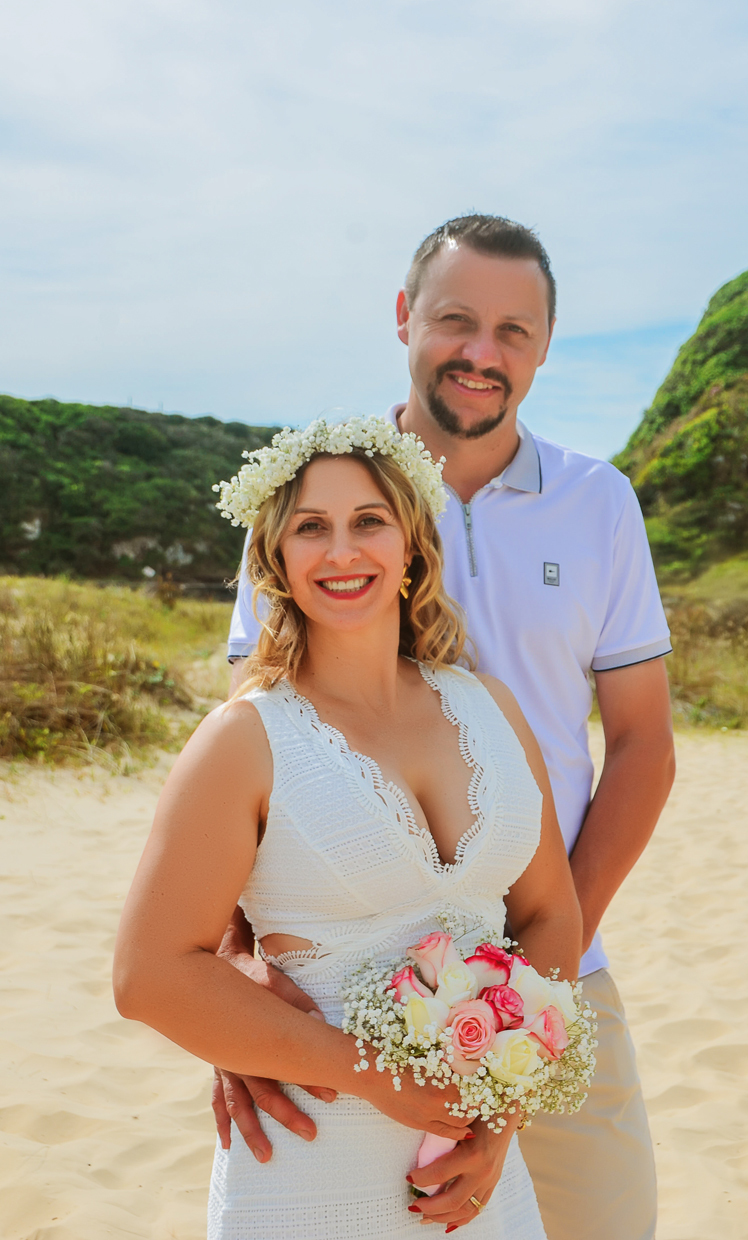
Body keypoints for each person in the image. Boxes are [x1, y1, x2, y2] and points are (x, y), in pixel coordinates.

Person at [223, 215, 676, 1240]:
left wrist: (533, 977)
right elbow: (249, 749)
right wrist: (237, 974)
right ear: (402, 319)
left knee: (608, 1224)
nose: (483, 352)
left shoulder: (598, 505)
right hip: (334, 991)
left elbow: (643, 745)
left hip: (559, 966)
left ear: (547, 346)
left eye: (514, 330)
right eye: (456, 320)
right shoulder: (325, 499)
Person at [113, 415, 583, 1238]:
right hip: (308, 1173)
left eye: (368, 521)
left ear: (410, 543)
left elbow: (550, 913)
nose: (342, 552)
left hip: (476, 1179)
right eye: (310, 528)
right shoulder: (245, 740)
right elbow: (148, 974)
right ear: (277, 560)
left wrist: (500, 1120)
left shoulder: (491, 708)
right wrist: (370, 1077)